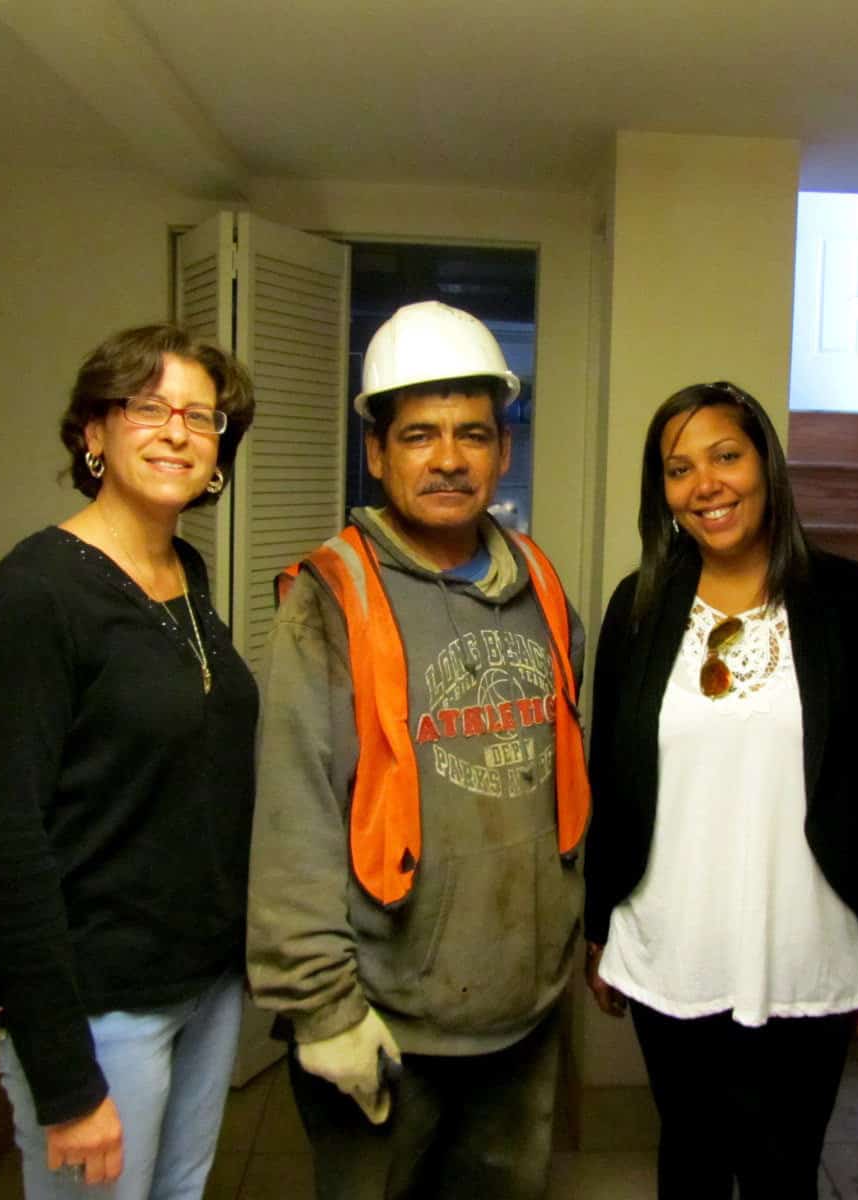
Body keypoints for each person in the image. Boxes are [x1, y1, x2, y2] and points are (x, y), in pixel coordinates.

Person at [247, 300, 589, 1200]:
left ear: (502, 451)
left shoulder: (543, 586)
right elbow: (293, 816)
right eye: (420, 435)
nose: (448, 459)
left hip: (522, 1015)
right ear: (378, 452)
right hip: (387, 1024)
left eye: (473, 434)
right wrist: (321, 1010)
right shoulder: (327, 601)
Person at [583, 381, 858, 1200]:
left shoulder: (848, 601)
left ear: (766, 463)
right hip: (672, 940)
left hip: (806, 941)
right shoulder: (640, 605)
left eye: (726, 456)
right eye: (678, 468)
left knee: (782, 1168)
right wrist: (600, 923)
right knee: (688, 1159)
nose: (706, 485)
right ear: (660, 492)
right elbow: (610, 774)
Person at [0, 324, 258, 1198]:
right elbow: (6, 844)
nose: (177, 432)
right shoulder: (33, 595)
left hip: (204, 983)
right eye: (148, 407)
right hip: (100, 1011)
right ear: (94, 433)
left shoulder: (185, 574)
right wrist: (63, 1078)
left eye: (201, 418)